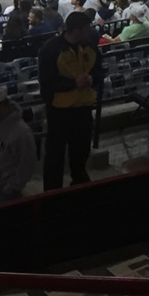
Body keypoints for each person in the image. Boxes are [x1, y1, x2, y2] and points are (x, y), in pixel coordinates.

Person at [38, 11, 102, 189]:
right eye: (87, 28)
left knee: (81, 149)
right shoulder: (50, 49)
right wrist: (73, 84)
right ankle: (52, 190)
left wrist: (92, 80)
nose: (90, 31)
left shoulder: (90, 46)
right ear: (77, 30)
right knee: (55, 153)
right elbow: (46, 82)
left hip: (83, 107)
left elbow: (98, 71)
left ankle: (79, 181)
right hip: (59, 110)